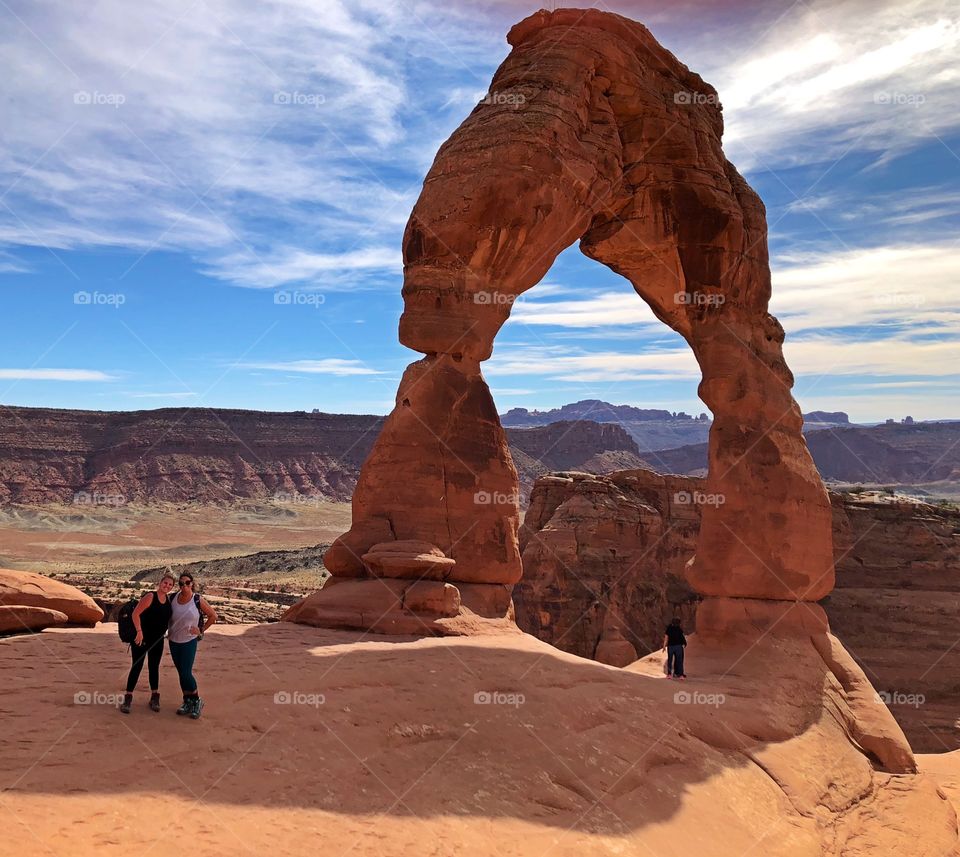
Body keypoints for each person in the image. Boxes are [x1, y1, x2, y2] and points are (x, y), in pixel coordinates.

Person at [121, 572, 175, 714]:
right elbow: (135, 614)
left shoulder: (169, 600)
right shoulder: (151, 596)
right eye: (165, 583)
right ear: (160, 583)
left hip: (157, 640)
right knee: (137, 666)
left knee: (154, 667)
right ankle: (128, 697)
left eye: (170, 585)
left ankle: (154, 696)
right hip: (142, 639)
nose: (167, 586)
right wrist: (139, 632)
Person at [168, 573, 218, 719]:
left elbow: (213, 616)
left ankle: (197, 701)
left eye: (187, 583)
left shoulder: (197, 599)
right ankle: (187, 701)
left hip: (189, 640)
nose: (184, 586)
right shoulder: (173, 599)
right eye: (181, 584)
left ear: (192, 583)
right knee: (181, 673)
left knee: (186, 672)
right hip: (173, 640)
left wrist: (201, 630)